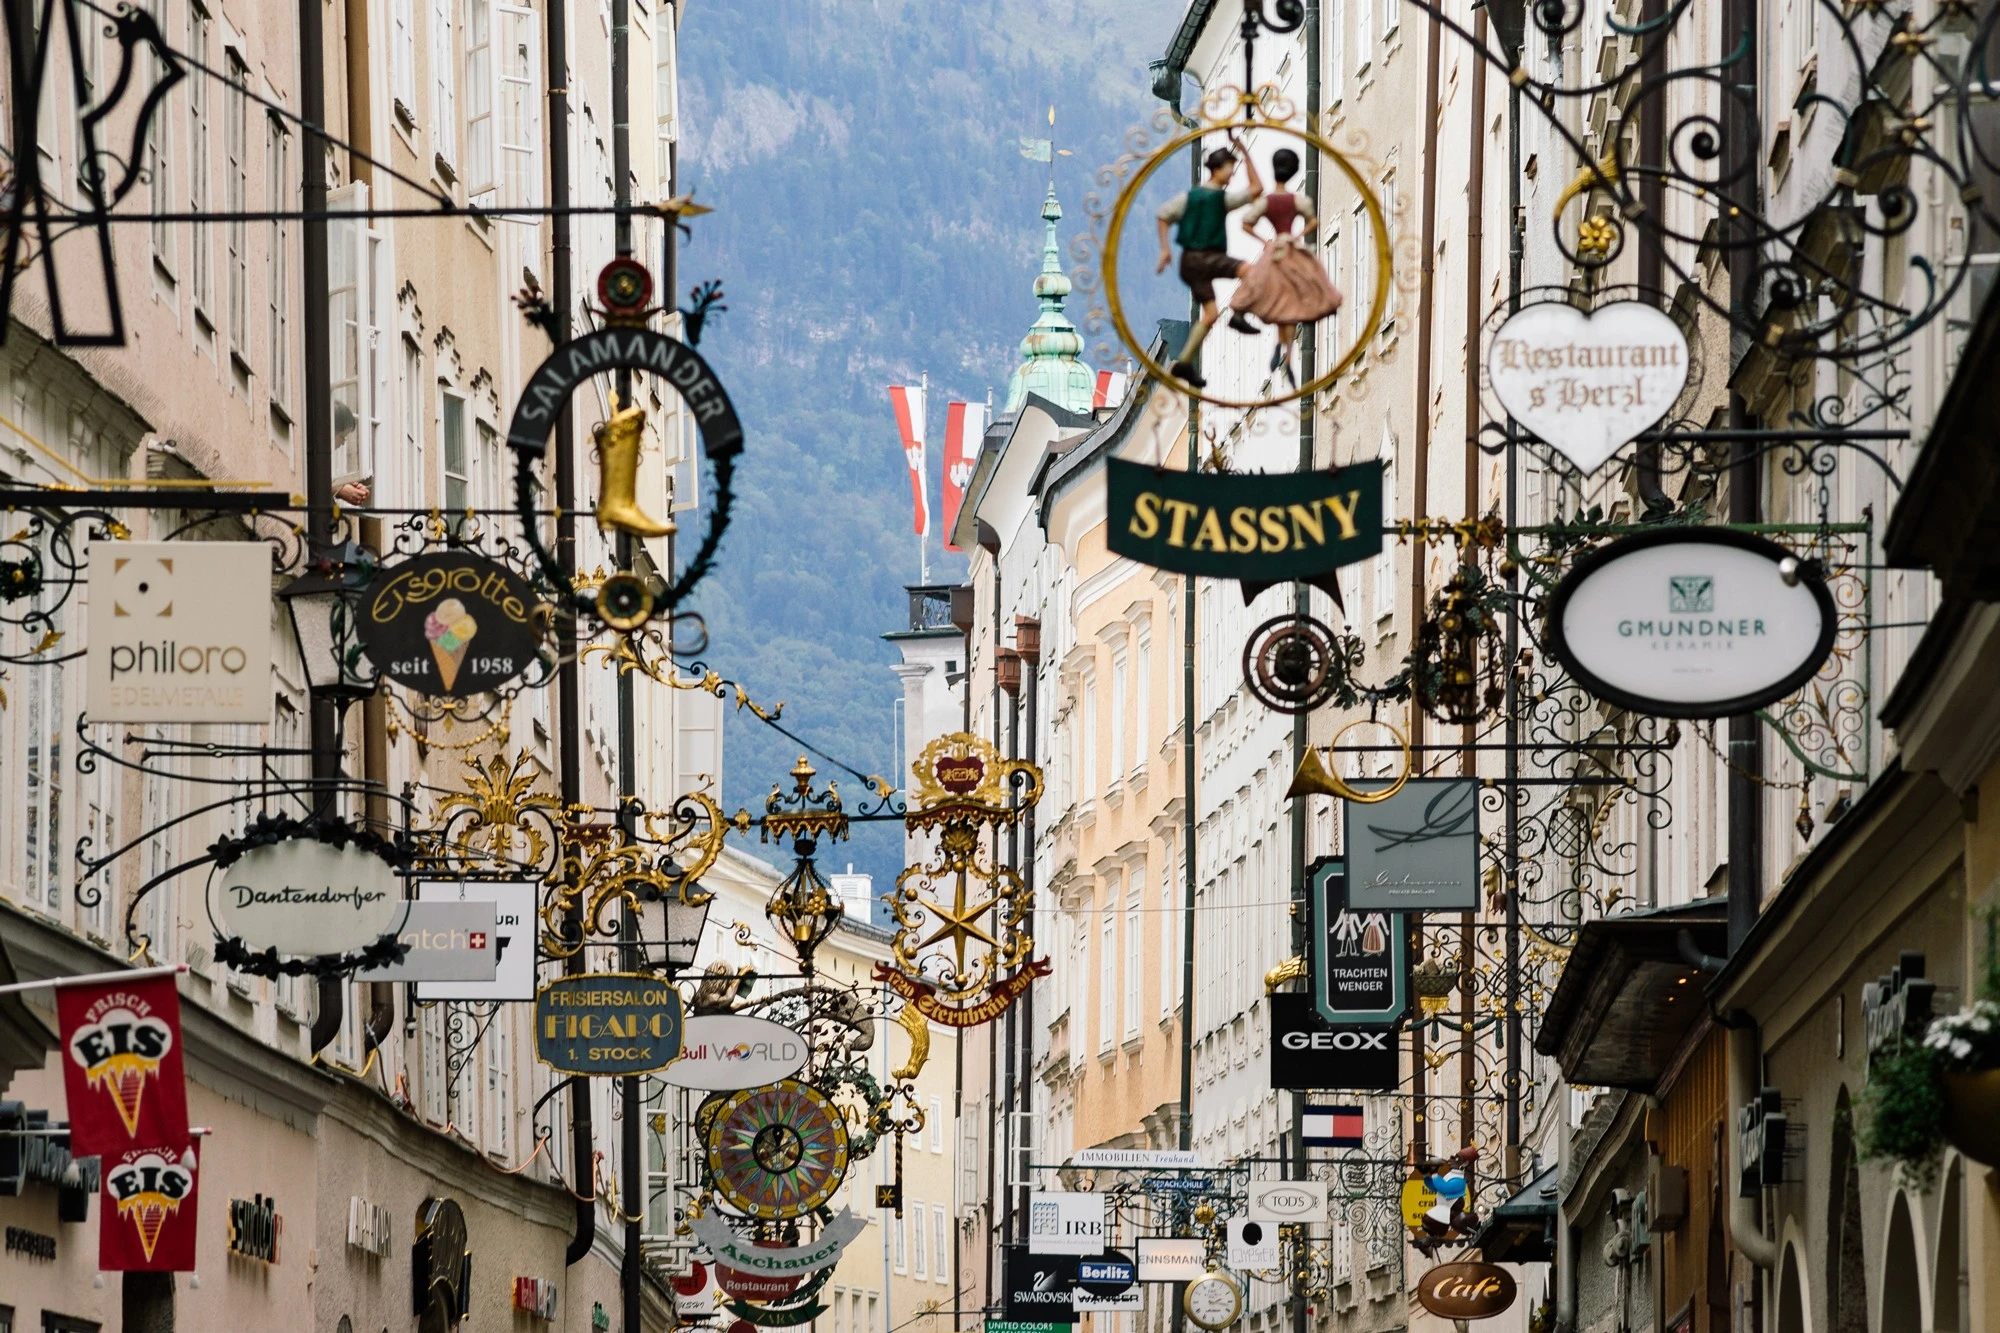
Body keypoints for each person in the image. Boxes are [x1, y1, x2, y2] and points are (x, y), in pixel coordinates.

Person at [1155, 138, 1264, 388]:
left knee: (1211, 314)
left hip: (1191, 262)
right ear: (1217, 169)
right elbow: (1257, 188)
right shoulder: (1218, 199)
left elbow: (1163, 216)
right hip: (1206, 258)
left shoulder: (1191, 198)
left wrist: (1166, 250)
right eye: (1230, 168)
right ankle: (1238, 313)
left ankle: (1183, 363)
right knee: (1250, 271)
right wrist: (1246, 151)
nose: (1232, 173)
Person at [1229, 147, 1343, 385]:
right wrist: (1296, 235)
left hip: (1274, 252)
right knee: (1292, 303)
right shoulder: (1296, 200)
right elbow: (1313, 221)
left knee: (1267, 293)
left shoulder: (1267, 201)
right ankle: (1287, 355)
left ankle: (1279, 349)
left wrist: (1266, 241)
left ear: (1274, 170)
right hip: (1291, 250)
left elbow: (1246, 223)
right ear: (1292, 172)